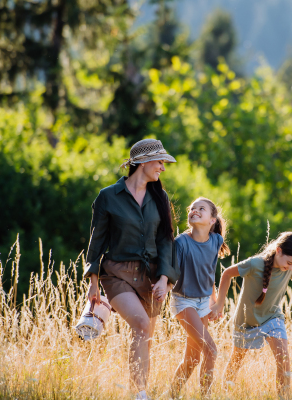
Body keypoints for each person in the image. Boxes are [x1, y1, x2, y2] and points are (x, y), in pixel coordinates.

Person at [84, 139, 179, 400]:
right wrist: (93, 282)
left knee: (145, 334)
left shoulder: (159, 197)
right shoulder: (107, 196)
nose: (162, 167)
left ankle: (139, 390)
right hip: (116, 272)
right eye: (159, 161)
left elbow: (165, 240)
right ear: (142, 162)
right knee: (139, 323)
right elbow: (97, 240)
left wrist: (163, 279)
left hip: (150, 277)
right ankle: (140, 394)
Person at [211, 232, 292, 398]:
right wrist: (219, 304)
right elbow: (226, 274)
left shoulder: (291, 267)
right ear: (278, 251)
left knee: (283, 359)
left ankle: (284, 397)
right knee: (236, 360)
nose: (291, 268)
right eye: (289, 263)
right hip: (246, 320)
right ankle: (224, 394)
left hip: (272, 318)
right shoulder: (255, 264)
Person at [169, 197, 231, 397]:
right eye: (192, 208)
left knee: (193, 358)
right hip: (183, 301)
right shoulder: (181, 243)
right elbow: (171, 274)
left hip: (204, 301)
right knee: (211, 350)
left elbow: (209, 272)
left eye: (201, 209)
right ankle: (206, 397)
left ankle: (171, 395)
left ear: (212, 220)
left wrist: (213, 301)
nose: (194, 210)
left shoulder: (216, 241)